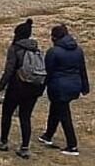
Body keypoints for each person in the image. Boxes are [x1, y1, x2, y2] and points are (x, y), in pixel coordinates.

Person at [0, 18, 46, 159]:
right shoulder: (36, 49)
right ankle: (25, 147)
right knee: (25, 117)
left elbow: (9, 71)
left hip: (17, 87)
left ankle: (3, 141)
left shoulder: (15, 48)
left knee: (7, 114)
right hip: (33, 88)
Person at [38, 24, 90, 155]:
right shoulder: (78, 50)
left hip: (58, 87)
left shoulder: (53, 52)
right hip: (74, 85)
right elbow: (82, 69)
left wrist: (40, 89)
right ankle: (48, 135)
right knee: (56, 108)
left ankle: (72, 146)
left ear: (54, 37)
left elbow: (48, 73)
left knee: (64, 114)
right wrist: (85, 87)